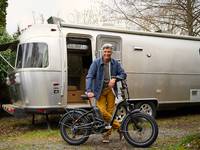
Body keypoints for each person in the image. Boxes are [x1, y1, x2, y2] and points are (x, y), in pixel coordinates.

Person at [86, 43, 127, 143]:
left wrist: (115, 78)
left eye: (109, 51)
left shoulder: (115, 63)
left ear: (111, 52)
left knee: (109, 112)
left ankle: (106, 136)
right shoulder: (96, 63)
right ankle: (120, 127)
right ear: (102, 52)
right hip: (99, 91)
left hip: (111, 91)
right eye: (105, 51)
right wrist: (88, 90)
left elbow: (123, 74)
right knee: (102, 112)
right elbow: (90, 76)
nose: (107, 53)